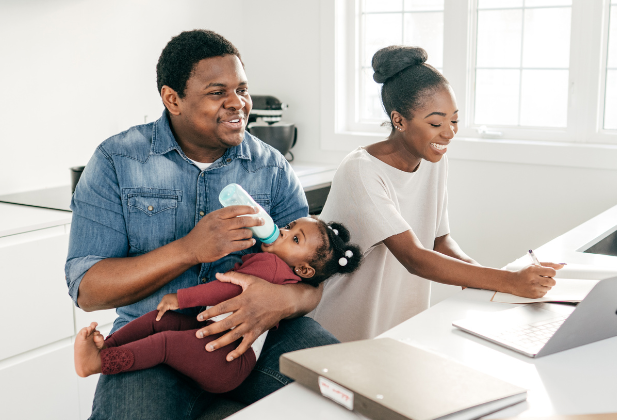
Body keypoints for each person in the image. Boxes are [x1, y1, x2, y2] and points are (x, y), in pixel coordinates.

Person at [65, 30, 339, 419]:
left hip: (256, 336)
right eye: (217, 92)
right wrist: (188, 250)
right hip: (155, 340)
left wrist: (281, 301)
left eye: (242, 89)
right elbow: (88, 290)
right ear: (172, 99)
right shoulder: (117, 161)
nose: (238, 104)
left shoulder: (272, 168)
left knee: (345, 392)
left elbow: (313, 281)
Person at [310, 46, 564, 342]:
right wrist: (509, 281)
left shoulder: (433, 159)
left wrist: (491, 280)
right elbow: (414, 257)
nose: (449, 132)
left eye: (454, 120)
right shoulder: (362, 171)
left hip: (398, 326)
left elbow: (438, 241)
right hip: (342, 328)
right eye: (436, 123)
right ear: (399, 120)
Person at [73, 217, 361, 394]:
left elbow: (225, 287)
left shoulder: (273, 267)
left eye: (295, 238)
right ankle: (107, 346)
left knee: (164, 341)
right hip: (214, 337)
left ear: (305, 270)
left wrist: (181, 298)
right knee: (159, 319)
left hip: (227, 360)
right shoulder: (279, 268)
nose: (283, 232)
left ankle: (101, 360)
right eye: (288, 227)